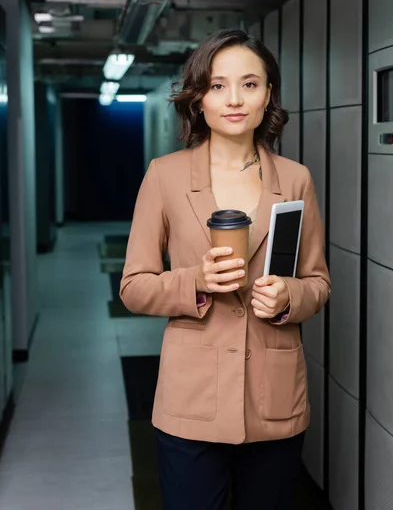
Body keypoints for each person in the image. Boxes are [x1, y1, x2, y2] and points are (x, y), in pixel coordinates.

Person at [120, 29, 331, 510]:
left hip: (273, 398)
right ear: (198, 98)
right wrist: (196, 280)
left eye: (249, 84)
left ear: (268, 93)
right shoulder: (165, 175)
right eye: (217, 86)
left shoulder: (295, 178)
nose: (234, 99)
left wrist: (288, 299)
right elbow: (134, 287)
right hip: (191, 400)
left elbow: (318, 282)